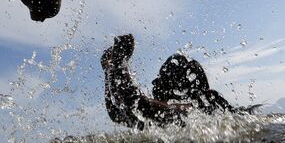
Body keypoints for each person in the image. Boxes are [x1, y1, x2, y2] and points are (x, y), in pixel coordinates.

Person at [101, 34, 252, 130]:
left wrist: (120, 60)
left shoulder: (194, 113)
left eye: (163, 78)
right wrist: (108, 70)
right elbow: (117, 114)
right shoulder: (168, 119)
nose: (155, 83)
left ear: (181, 87)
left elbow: (136, 104)